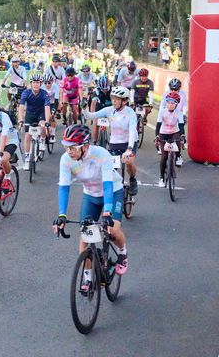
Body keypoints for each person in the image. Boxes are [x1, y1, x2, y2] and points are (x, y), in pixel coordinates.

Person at [53, 124, 128, 293]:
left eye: (72, 147)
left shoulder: (101, 154)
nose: (69, 151)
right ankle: (87, 277)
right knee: (85, 236)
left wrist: (107, 212)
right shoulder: (66, 159)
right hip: (91, 195)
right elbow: (64, 187)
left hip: (112, 192)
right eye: (66, 146)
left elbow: (108, 185)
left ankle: (122, 252)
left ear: (85, 146)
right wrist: (62, 215)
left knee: (113, 230)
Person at [83, 86, 139, 196]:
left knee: (129, 161)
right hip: (115, 142)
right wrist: (84, 108)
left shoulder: (130, 113)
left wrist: (129, 149)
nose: (114, 101)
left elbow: (132, 131)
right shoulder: (109, 110)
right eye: (113, 98)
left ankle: (133, 179)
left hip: (129, 142)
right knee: (110, 168)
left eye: (117, 99)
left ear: (124, 101)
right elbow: (90, 116)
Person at [18, 73, 51, 165]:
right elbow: (21, 107)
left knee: (43, 126)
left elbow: (47, 108)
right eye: (34, 82)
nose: (36, 84)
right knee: (27, 136)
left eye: (38, 82)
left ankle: (42, 140)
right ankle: (27, 158)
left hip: (41, 114)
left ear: (40, 84)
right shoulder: (26, 93)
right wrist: (20, 119)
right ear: (31, 83)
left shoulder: (44, 94)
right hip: (30, 114)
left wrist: (47, 121)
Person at [155, 92, 185, 186]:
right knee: (164, 156)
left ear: (176, 104)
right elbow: (158, 125)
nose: (170, 105)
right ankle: (161, 178)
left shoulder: (179, 113)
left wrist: (183, 135)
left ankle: (178, 156)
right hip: (163, 133)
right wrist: (157, 136)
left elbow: (181, 125)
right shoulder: (162, 112)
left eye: (173, 103)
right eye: (168, 102)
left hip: (174, 132)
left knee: (178, 141)